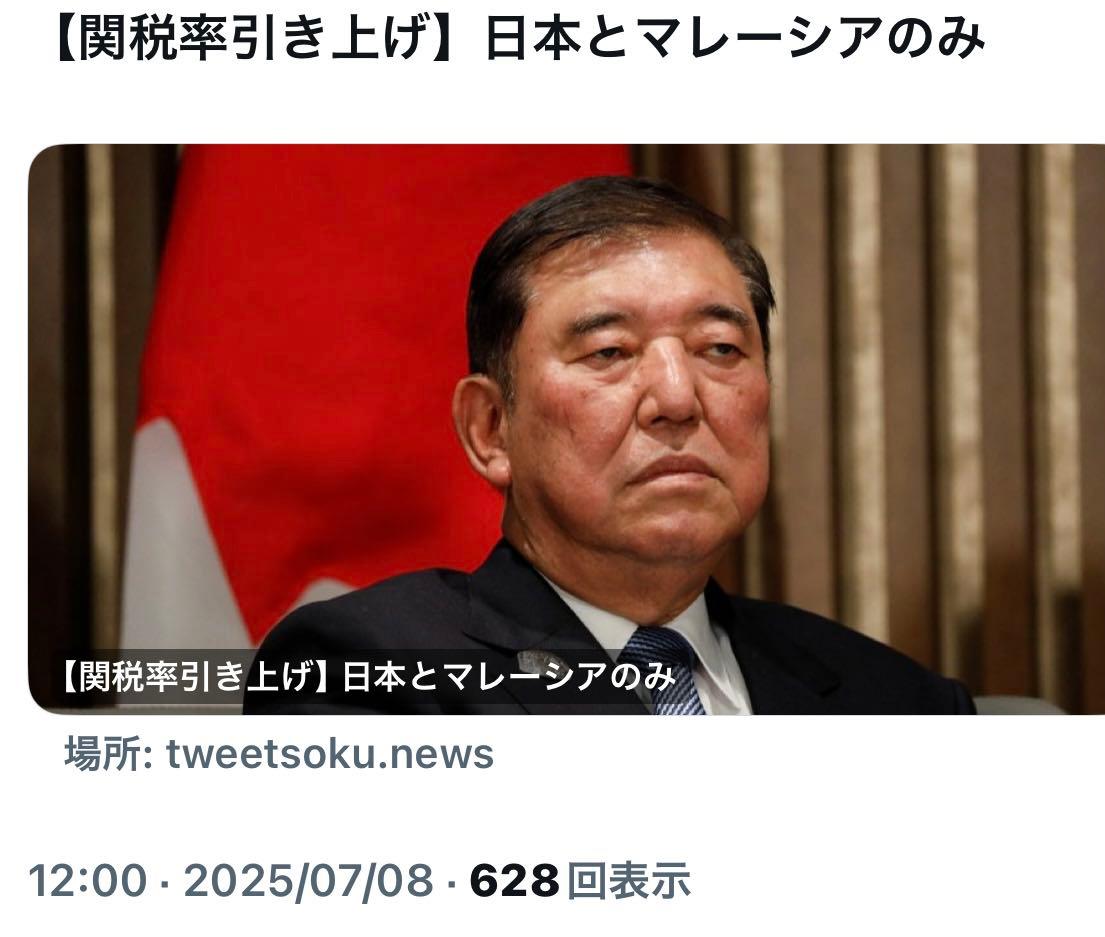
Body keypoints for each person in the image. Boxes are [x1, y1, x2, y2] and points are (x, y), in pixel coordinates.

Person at [245, 176, 974, 714]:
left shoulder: (902, 703)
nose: (678, 399)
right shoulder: (369, 672)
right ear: (491, 428)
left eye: (720, 349)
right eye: (609, 352)